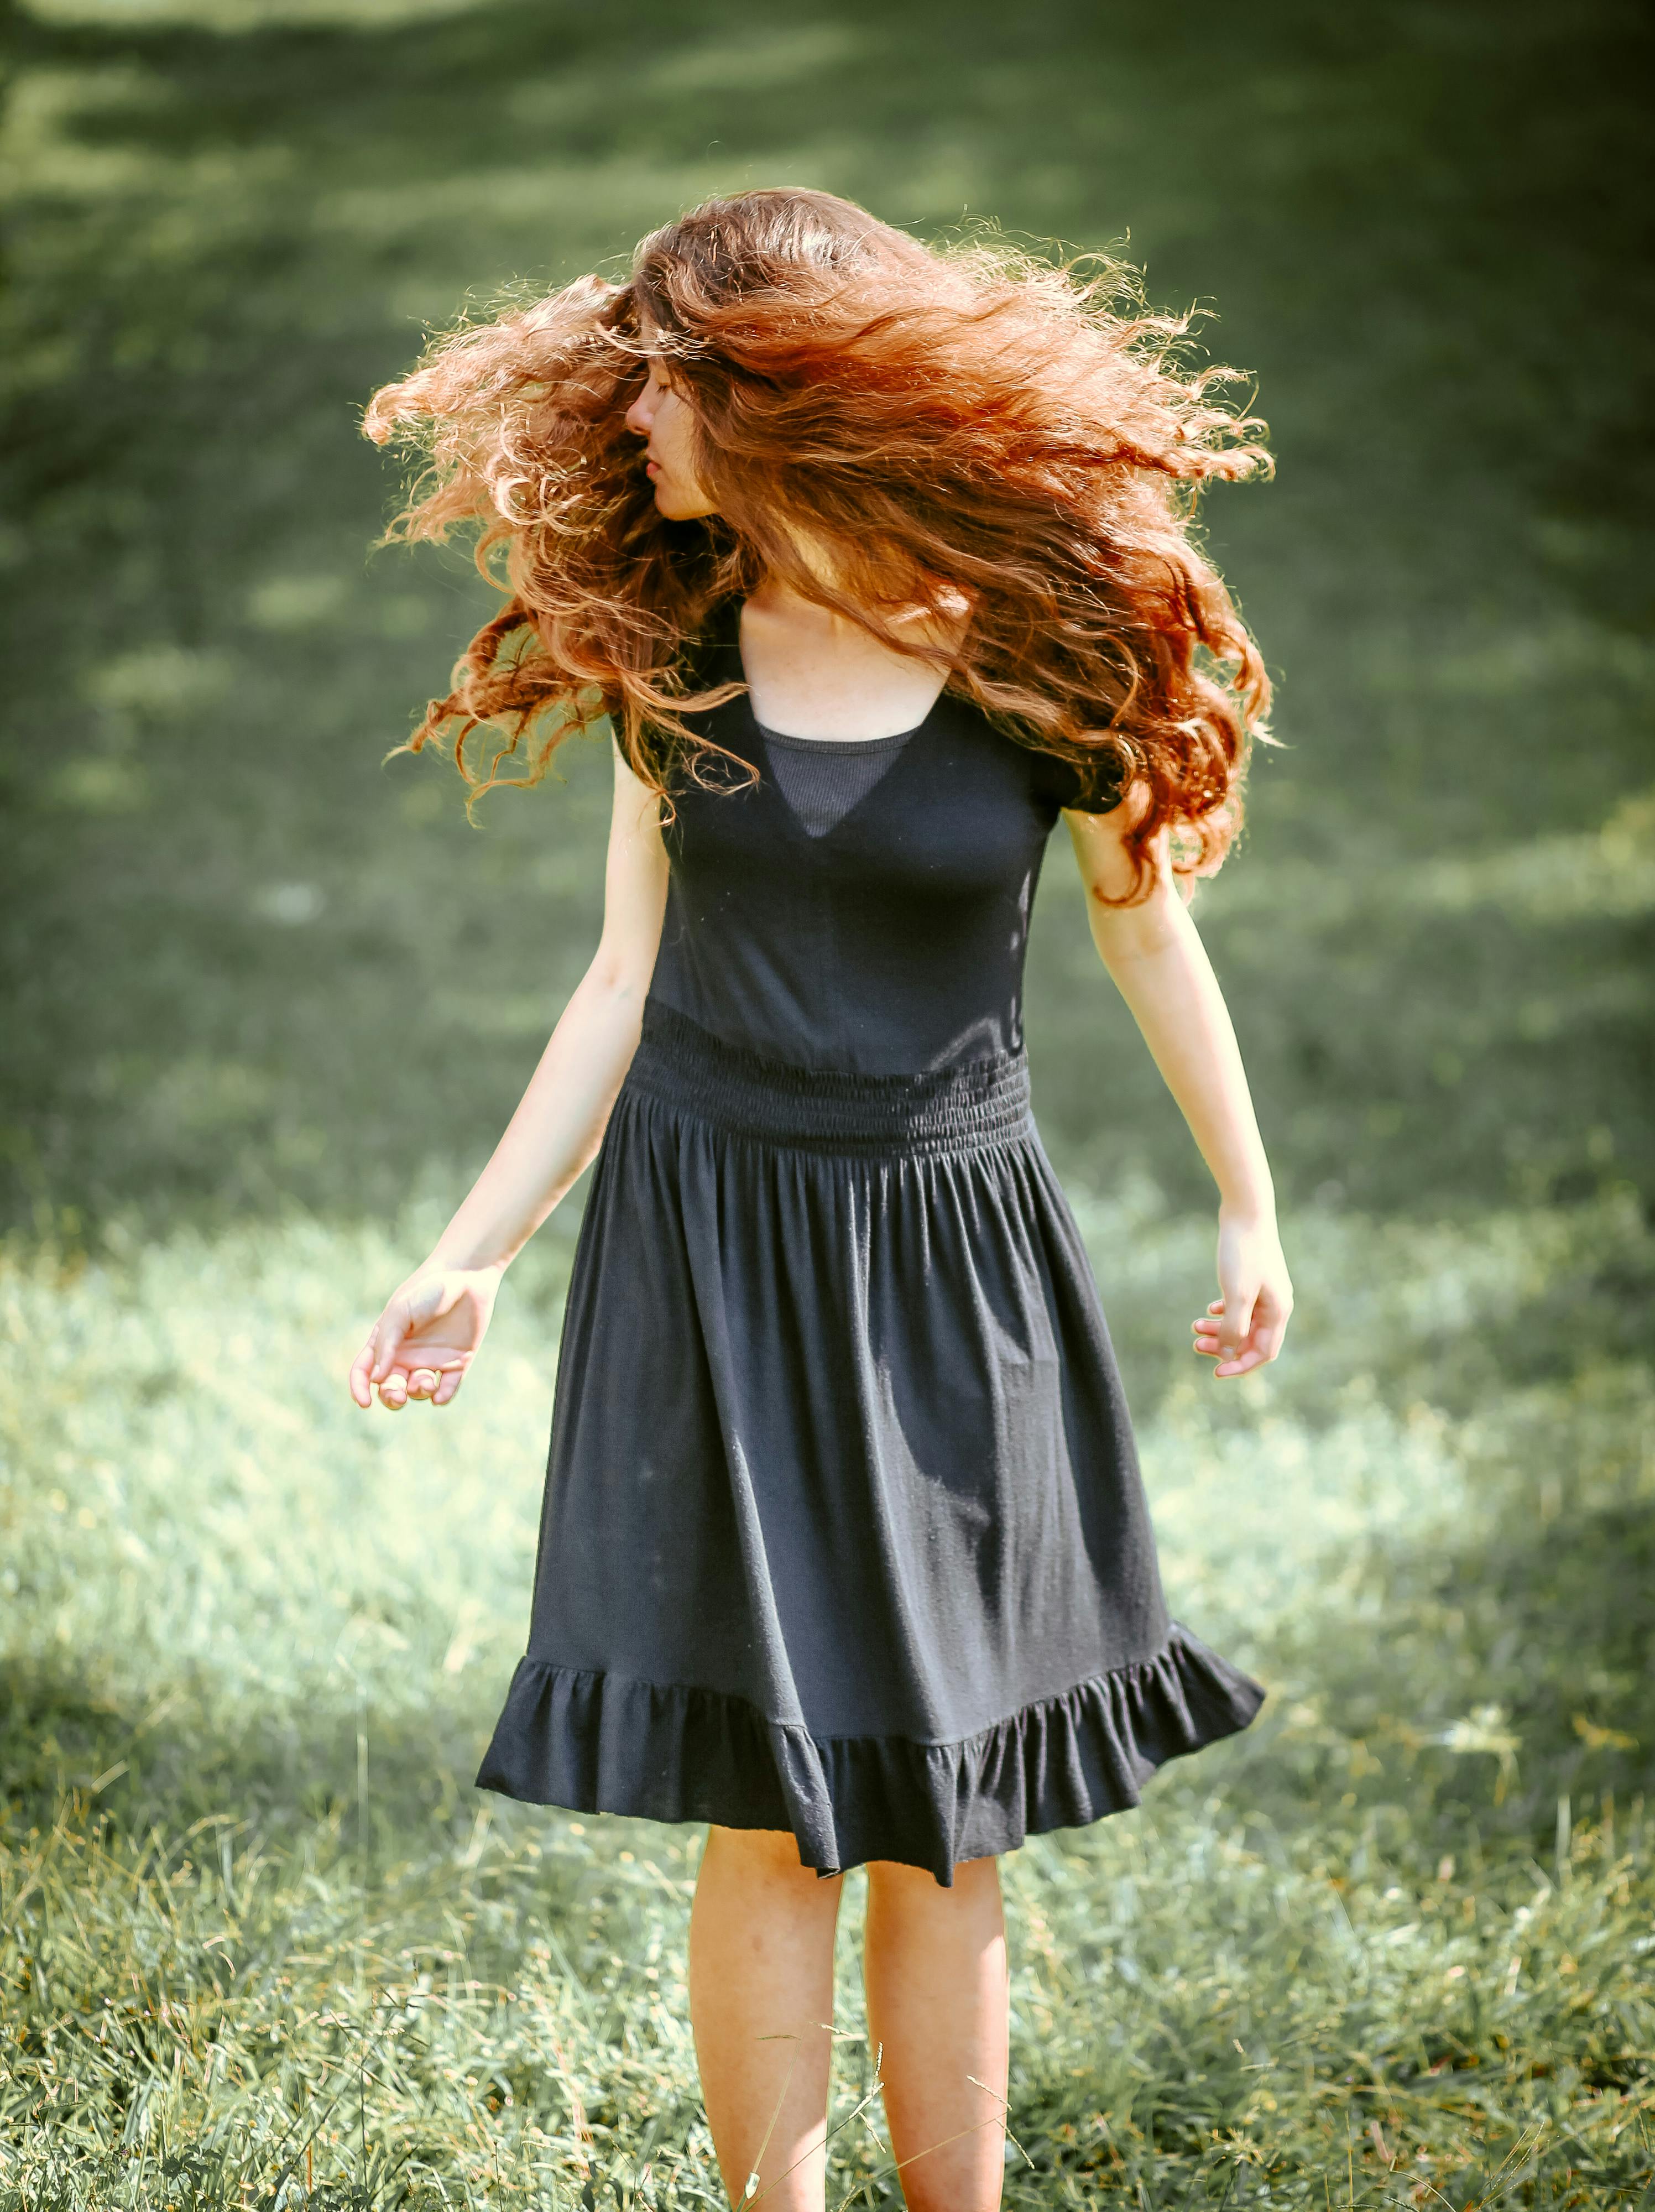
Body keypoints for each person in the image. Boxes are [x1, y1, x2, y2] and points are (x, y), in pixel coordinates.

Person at [349, 188, 1291, 2212]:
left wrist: (1247, 1205)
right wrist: (473, 1253)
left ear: (781, 396)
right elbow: (617, 983)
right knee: (766, 1805)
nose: (631, 423)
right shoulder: (673, 651)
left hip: (955, 1266)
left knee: (947, 1812)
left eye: (670, 383)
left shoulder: (1042, 649)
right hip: (705, 1256)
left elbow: (1149, 943)